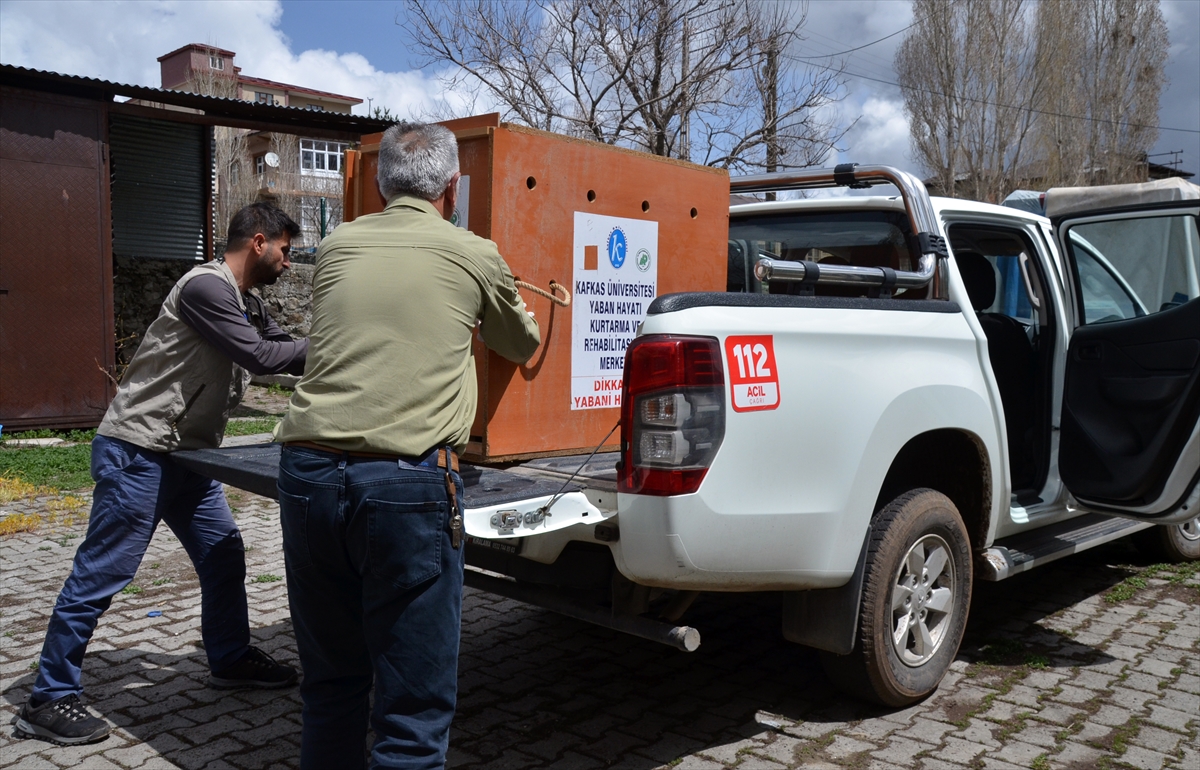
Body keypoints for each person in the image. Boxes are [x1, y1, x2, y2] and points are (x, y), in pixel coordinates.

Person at [275, 121, 540, 769]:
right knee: (411, 717)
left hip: (307, 475)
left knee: (332, 685)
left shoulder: (337, 245)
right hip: (405, 487)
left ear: (376, 183)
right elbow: (520, 343)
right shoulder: (474, 252)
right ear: (454, 187)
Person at [16, 203, 309, 746]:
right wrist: (341, 348)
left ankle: (229, 658)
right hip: (138, 450)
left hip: (184, 456)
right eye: (287, 252)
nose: (290, 265)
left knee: (223, 556)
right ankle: (49, 696)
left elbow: (289, 351)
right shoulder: (206, 288)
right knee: (104, 571)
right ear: (261, 242)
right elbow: (264, 356)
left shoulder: (246, 301)